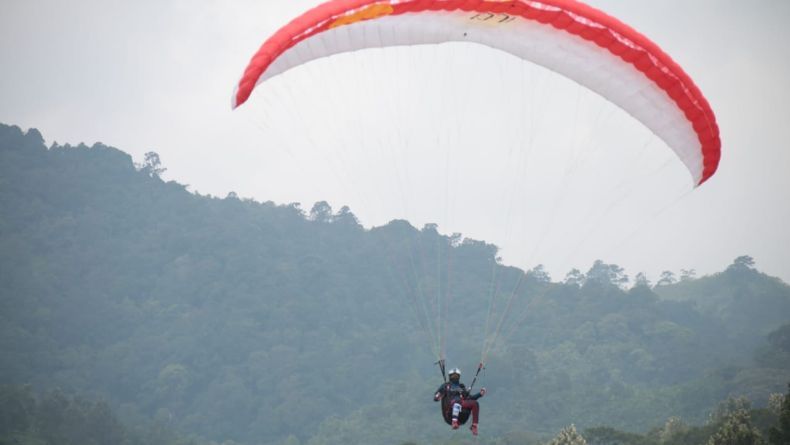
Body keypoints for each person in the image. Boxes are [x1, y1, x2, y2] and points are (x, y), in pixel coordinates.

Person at [433, 368, 486, 436]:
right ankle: (454, 422)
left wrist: (480, 394)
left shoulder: (461, 387)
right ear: (450, 376)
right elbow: (436, 397)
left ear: (459, 377)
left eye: (456, 375)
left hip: (462, 410)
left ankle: (474, 426)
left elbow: (470, 398)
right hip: (450, 411)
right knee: (457, 401)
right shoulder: (446, 386)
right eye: (453, 375)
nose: (454, 377)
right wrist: (438, 396)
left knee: (475, 403)